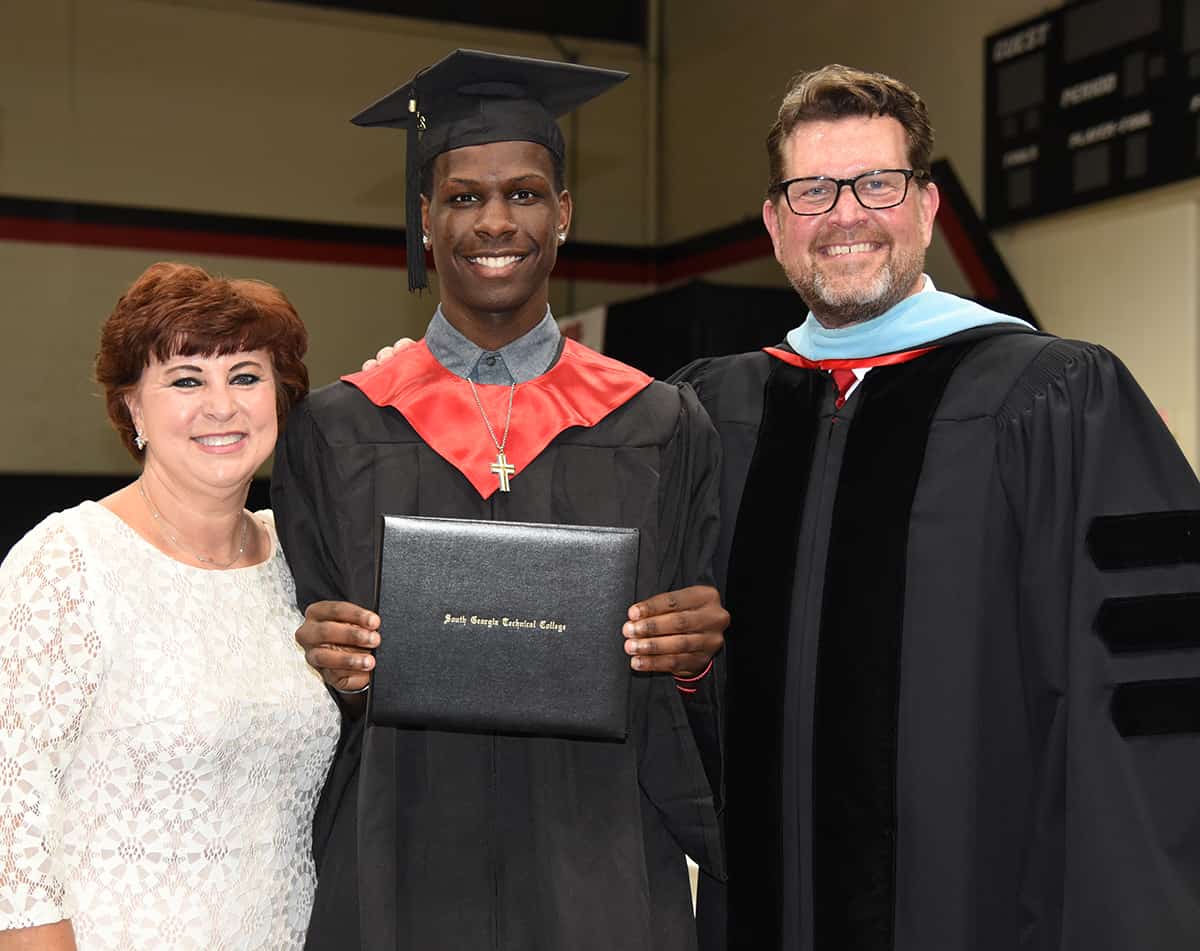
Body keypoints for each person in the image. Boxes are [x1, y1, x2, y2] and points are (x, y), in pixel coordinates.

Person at [675, 64, 1200, 950]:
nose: (845, 214)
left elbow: (1142, 709)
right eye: (812, 190)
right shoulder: (713, 414)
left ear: (925, 206)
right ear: (774, 223)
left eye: (876, 183)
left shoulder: (1058, 399)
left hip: (979, 911)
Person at [271, 50, 725, 951]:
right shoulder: (336, 427)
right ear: (427, 220)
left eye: (523, 194)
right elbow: (303, 680)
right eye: (464, 196)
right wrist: (321, 664)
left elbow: (700, 671)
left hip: (599, 861)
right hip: (399, 858)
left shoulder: (661, 422)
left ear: (563, 214)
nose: (495, 220)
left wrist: (697, 656)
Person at [0, 262, 340, 950]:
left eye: (246, 375)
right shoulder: (69, 560)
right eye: (187, 379)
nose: (222, 404)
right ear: (133, 408)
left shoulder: (300, 557)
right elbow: (14, 828)